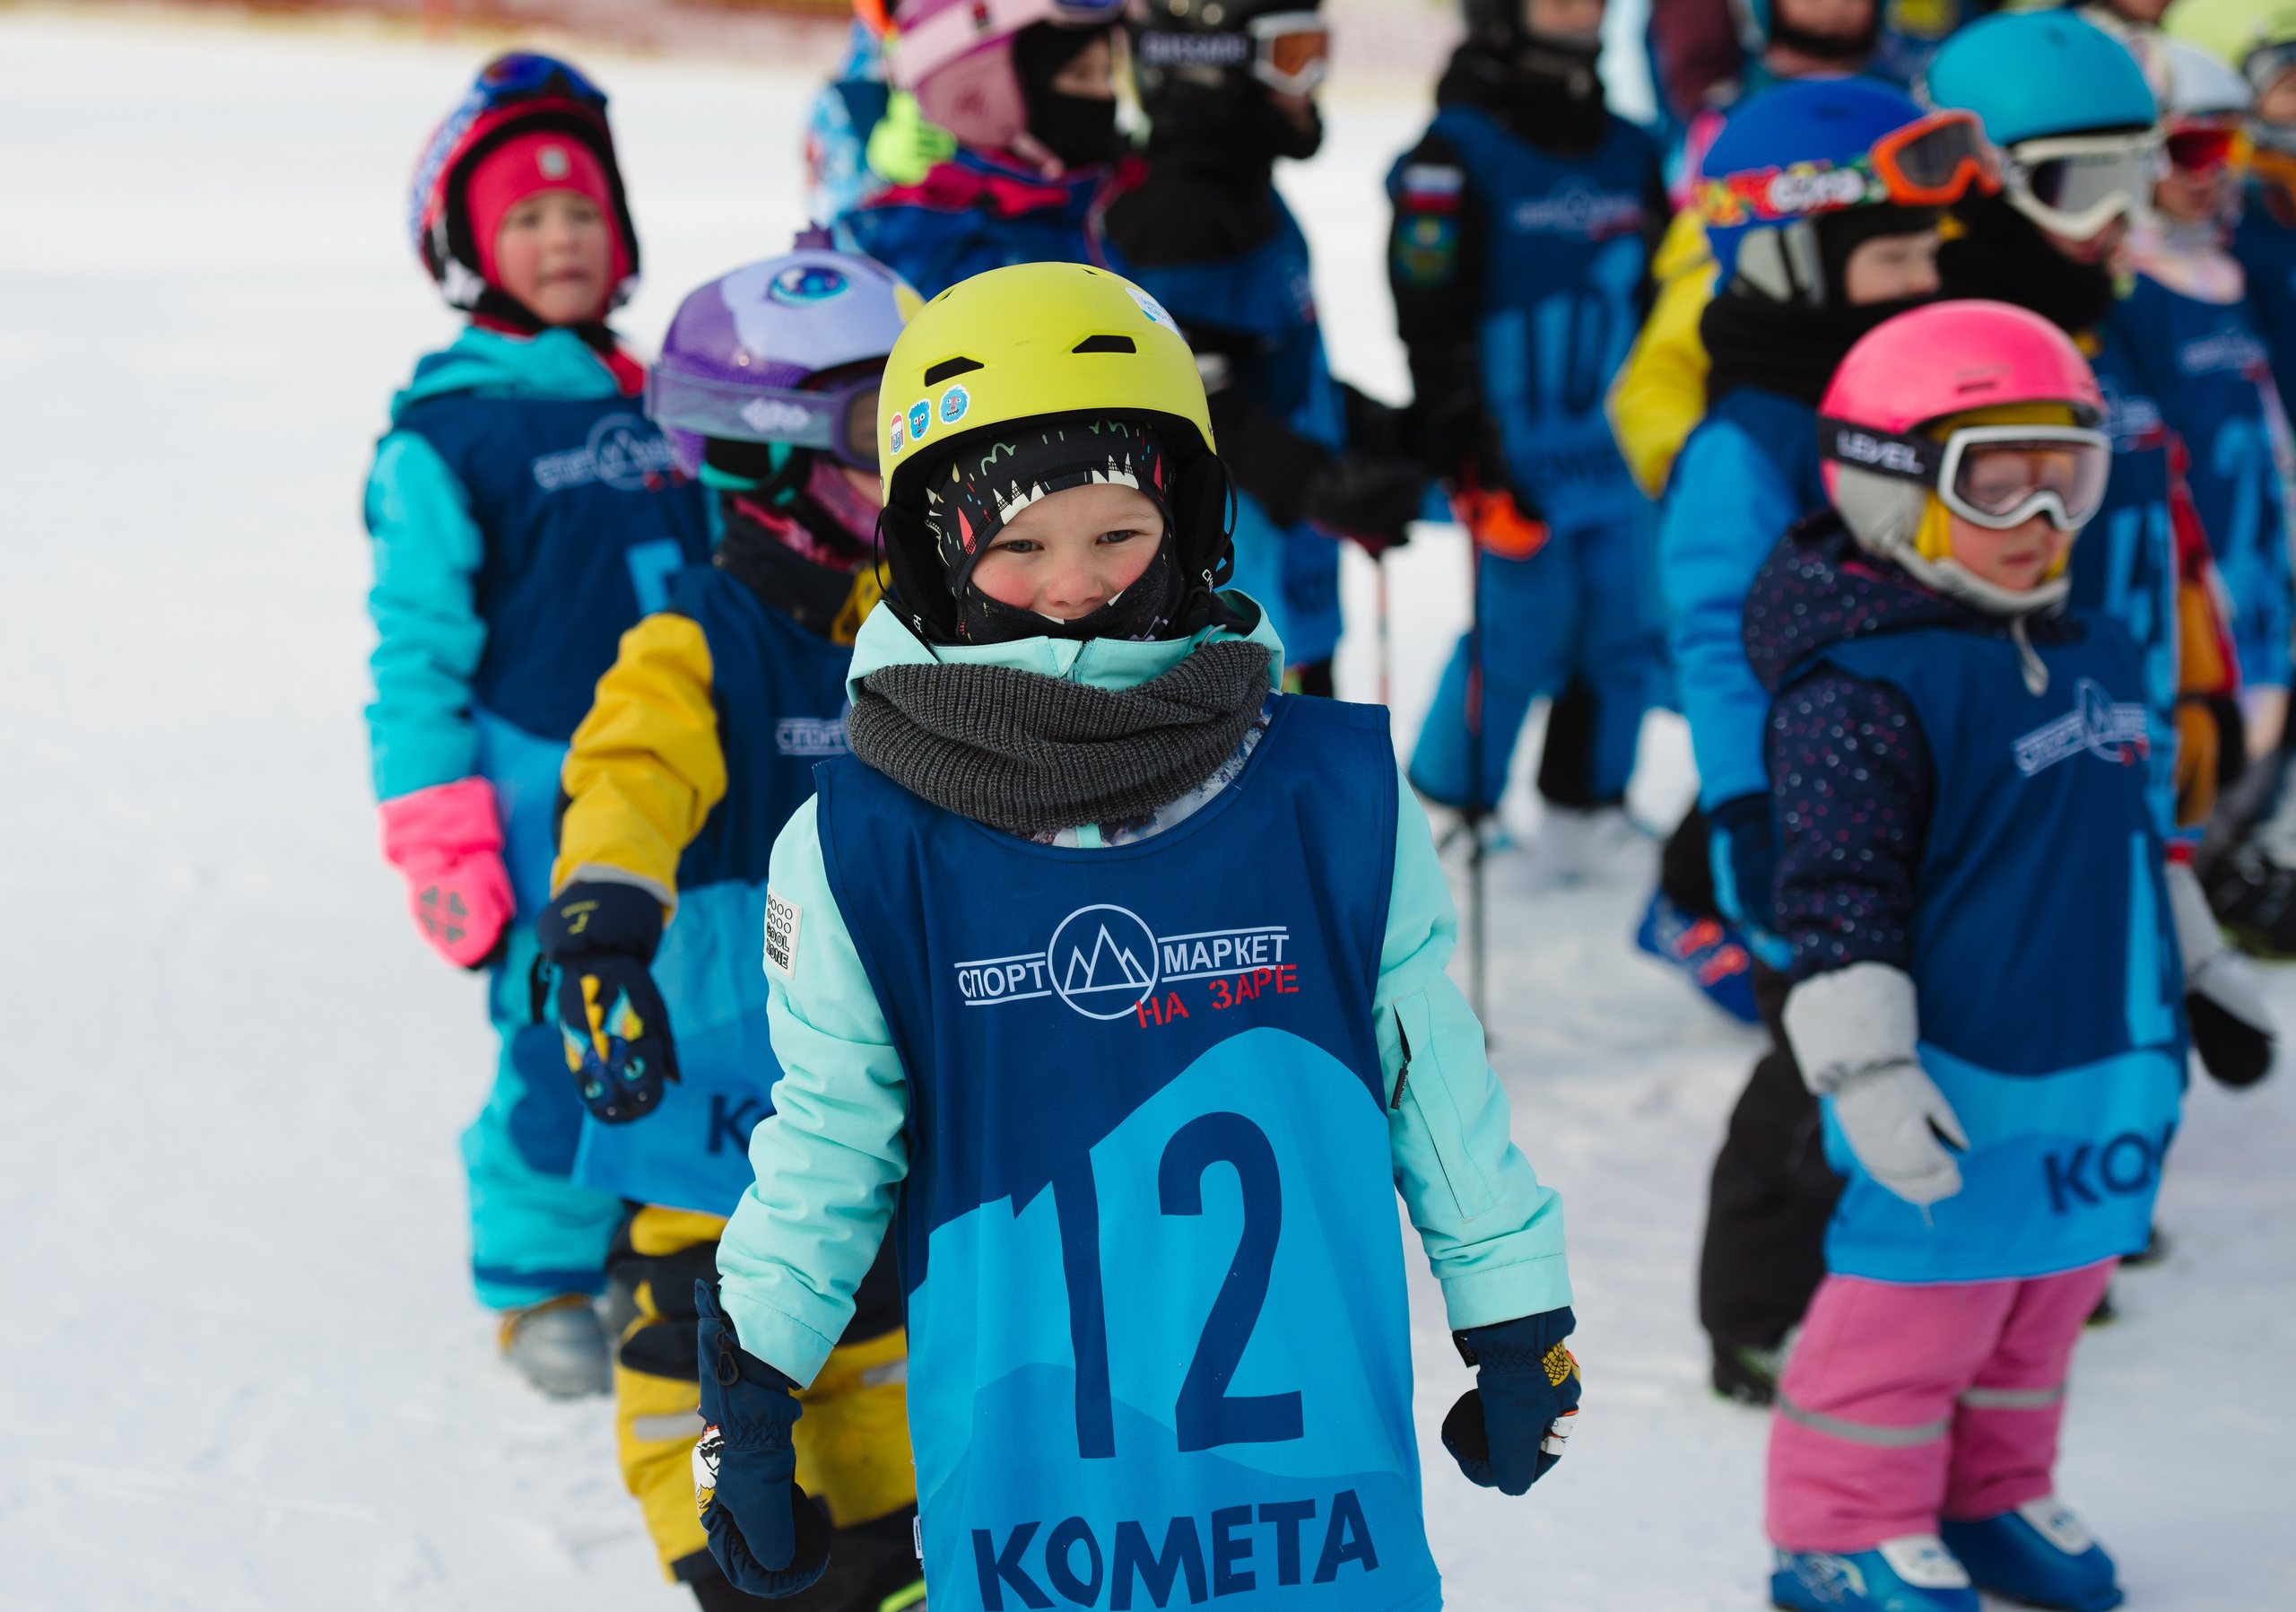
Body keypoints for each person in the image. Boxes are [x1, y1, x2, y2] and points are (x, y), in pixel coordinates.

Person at [682, 262, 1579, 1608]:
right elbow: (829, 1139)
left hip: (1312, 1504)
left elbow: (1425, 1070)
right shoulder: (866, 844)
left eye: (1119, 534)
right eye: (1018, 544)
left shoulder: (1326, 793)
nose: (1074, 585)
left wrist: (1513, 1312)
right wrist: (749, 1386)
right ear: (933, 550)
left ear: (1194, 525)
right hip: (1043, 1515)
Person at [1752, 300, 2176, 1612]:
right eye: (1998, 485)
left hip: (2101, 1066)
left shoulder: (2092, 641)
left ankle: (1993, 1489)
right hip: (1959, 1072)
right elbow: (1836, 902)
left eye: (2067, 480)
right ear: (1888, 491)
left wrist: (2200, 969)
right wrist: (1865, 1070)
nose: (2042, 522)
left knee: (2045, 1299)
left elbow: (2136, 841)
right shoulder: (1863, 688)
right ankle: (1843, 1521)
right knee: (1919, 1305)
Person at [539, 249, 926, 1612]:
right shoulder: (697, 641)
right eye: (888, 430)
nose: (927, 465)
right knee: (695, 1368)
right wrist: (600, 925)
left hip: (863, 1127)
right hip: (712, 1123)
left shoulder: (918, 637)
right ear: (775, 460)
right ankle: (733, 1564)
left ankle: (892, 1554)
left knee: (869, 1353)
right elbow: (627, 779)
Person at [1637, 79, 1994, 1398]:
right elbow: (1721, 653)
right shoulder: (1753, 440)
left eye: (1929, 257)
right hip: (1800, 814)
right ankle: (1752, 1311)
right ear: (1793, 252)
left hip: (1918, 787)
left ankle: (1928, 1259)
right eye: (1894, 257)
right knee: (1815, 1056)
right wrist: (1748, 820)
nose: (1923, 283)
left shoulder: (1904, 402)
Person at [365, 52, 710, 1395]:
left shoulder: (670, 400)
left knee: (696, 997)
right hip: (537, 804)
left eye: (582, 214)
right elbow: (414, 667)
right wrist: (440, 845)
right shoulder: (447, 442)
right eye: (526, 220)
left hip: (690, 776)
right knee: (561, 1029)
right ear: (464, 247)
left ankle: (656, 1216)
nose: (562, 240)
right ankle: (537, 1264)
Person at [1926, 7, 2277, 1087]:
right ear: (1982, 177)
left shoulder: (2108, 322)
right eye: (2084, 184)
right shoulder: (1944, 350)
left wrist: (2204, 677)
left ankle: (2100, 1189)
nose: (2120, 217)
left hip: (2135, 729)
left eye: (2139, 171)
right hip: (2018, 764)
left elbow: (2166, 514)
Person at [1387, 0, 1671, 869]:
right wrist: (1457, 431)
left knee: (1622, 625)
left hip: (1615, 453)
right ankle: (1451, 802)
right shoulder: (1454, 153)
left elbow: (1660, 296)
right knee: (1519, 627)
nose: (1579, 9)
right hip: (1512, 452)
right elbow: (1426, 311)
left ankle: (1587, 802)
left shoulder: (1629, 148)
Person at [1108, 0, 1427, 694]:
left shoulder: (1244, 192)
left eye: (1318, 50)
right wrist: (1311, 481)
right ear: (1207, 66)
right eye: (1291, 54)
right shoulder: (1180, 209)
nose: (1310, 80)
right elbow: (1184, 394)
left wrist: (1369, 428)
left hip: (1284, 559)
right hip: (1227, 587)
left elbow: (1266, 364)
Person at [837, 0, 1135, 297]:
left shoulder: (1083, 215)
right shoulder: (935, 255)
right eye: (1080, 74)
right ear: (981, 91)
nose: (1105, 95)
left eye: (1107, 74)